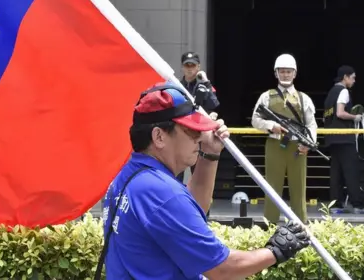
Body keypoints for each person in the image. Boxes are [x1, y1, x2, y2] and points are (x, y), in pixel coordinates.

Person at [97, 82, 311, 280]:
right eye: (190, 130)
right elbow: (222, 268)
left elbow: (192, 208)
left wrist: (209, 154)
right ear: (159, 137)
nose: (199, 137)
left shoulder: (131, 175)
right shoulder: (161, 192)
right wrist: (276, 250)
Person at [251, 54, 317, 224]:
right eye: (282, 71)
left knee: (298, 188)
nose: (285, 75)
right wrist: (270, 125)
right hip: (275, 144)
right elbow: (255, 120)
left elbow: (311, 124)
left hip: (297, 147)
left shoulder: (303, 99)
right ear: (276, 73)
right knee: (272, 187)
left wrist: (307, 144)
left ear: (294, 74)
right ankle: (269, 224)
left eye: (289, 71)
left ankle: (301, 226)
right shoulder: (266, 97)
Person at [322, 65, 364, 214]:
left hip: (332, 137)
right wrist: (355, 117)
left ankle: (336, 205)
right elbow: (340, 113)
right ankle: (358, 204)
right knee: (351, 171)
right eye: (353, 77)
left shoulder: (330, 93)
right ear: (345, 77)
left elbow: (325, 117)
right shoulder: (343, 91)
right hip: (344, 137)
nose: (354, 81)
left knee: (336, 172)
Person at [177, 51, 220, 184]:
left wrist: (206, 81)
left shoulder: (203, 85)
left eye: (193, 65)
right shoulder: (177, 86)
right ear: (182, 67)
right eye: (187, 65)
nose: (190, 68)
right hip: (181, 134)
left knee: (199, 175)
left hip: (199, 135)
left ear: (198, 67)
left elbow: (214, 104)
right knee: (177, 173)